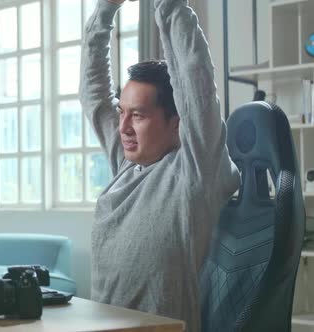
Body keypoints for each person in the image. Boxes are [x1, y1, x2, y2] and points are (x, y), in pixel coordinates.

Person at [79, 0, 240, 331]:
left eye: (137, 115)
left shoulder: (194, 173)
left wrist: (169, 6)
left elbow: (195, 79)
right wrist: (104, 12)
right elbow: (94, 94)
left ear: (177, 123)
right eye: (121, 111)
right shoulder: (125, 163)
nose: (123, 127)